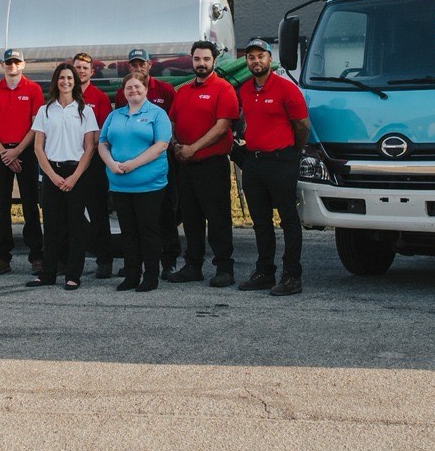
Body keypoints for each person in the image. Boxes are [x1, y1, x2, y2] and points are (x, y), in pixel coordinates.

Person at [233, 37, 311, 296]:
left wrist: (292, 150)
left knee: (288, 219)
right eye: (251, 57)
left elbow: (302, 125)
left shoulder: (286, 89)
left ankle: (292, 276)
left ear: (270, 59)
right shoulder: (245, 90)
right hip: (254, 163)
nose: (256, 61)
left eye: (261, 56)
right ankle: (265, 272)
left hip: (281, 161)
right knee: (261, 221)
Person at [166, 39, 240, 287]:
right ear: (191, 59)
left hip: (212, 164)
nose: (201, 63)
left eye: (206, 59)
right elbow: (173, 123)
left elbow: (222, 127)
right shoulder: (183, 91)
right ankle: (193, 266)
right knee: (190, 218)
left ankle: (224, 268)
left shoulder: (223, 89)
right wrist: (176, 145)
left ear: (214, 61)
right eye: (197, 59)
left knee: (218, 218)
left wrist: (193, 148)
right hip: (185, 166)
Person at [99, 72, 173, 291]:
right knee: (128, 232)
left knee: (148, 231)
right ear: (123, 91)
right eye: (129, 87)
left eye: (137, 87)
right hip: (120, 184)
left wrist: (133, 164)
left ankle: (151, 276)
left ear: (146, 88)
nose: (133, 91)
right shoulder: (115, 115)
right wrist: (112, 164)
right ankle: (131, 275)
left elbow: (161, 145)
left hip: (148, 185)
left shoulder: (157, 114)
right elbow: (102, 143)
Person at [30, 63, 97, 289]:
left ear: (75, 82)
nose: (65, 81)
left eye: (69, 78)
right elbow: (39, 147)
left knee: (76, 226)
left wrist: (74, 177)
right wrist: (51, 175)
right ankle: (48, 274)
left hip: (76, 173)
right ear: (55, 81)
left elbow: (89, 148)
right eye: (61, 78)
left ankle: (73, 275)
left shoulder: (85, 111)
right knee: (51, 226)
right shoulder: (45, 110)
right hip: (52, 173)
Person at [0, 48, 43, 276]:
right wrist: (5, 154)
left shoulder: (34, 89)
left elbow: (36, 127)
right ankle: (2, 258)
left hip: (24, 151)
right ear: (3, 65)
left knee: (30, 205)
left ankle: (37, 256)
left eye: (17, 62)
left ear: (23, 65)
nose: (12, 66)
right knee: (2, 207)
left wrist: (16, 152)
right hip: (1, 152)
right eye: (9, 62)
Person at [125, 47, 179, 275]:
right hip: (135, 165)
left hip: (159, 164)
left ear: (149, 65)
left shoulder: (165, 91)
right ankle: (139, 263)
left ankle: (168, 261)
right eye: (134, 64)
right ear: (129, 67)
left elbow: (174, 123)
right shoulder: (124, 92)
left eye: (142, 63)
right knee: (138, 216)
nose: (138, 67)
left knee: (165, 213)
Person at [72, 52, 117, 279]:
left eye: (84, 68)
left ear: (91, 72)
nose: (81, 71)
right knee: (69, 215)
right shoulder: (63, 97)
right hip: (68, 163)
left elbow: (103, 133)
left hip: (93, 164)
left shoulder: (98, 98)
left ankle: (105, 261)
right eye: (77, 67)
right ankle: (67, 260)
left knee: (98, 214)